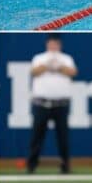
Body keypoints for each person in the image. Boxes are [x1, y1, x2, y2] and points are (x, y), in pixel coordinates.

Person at [27, 34, 78, 174]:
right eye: (51, 44)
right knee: (37, 136)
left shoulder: (66, 59)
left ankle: (65, 165)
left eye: (56, 44)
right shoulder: (39, 58)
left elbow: (73, 72)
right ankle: (31, 165)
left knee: (63, 137)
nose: (53, 46)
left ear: (59, 45)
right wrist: (48, 65)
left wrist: (59, 66)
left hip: (61, 104)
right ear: (47, 44)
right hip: (41, 103)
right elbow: (34, 72)